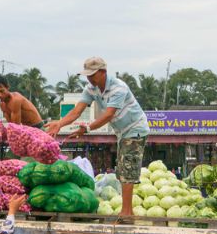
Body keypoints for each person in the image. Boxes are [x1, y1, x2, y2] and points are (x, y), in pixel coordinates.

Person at [45, 57, 148, 222]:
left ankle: (127, 214)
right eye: (87, 75)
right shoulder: (91, 88)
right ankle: (127, 211)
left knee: (128, 166)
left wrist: (86, 129)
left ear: (103, 72)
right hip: (122, 132)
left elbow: (108, 114)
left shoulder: (118, 88)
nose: (89, 78)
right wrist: (60, 124)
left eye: (92, 75)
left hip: (135, 128)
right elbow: (76, 111)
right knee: (122, 169)